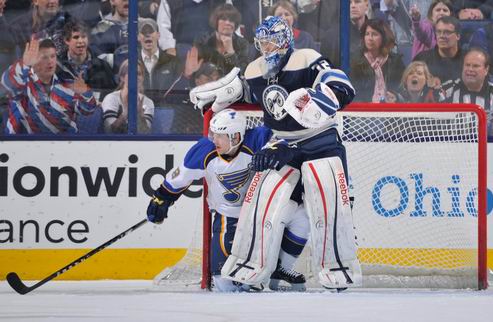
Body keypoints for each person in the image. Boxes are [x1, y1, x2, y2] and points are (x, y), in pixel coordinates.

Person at [190, 16, 362, 290]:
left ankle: (336, 267)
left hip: (321, 141)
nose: (267, 47)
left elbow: (339, 82)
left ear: (285, 40)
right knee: (262, 196)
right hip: (282, 143)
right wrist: (224, 94)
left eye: (272, 41)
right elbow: (245, 92)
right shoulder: (255, 69)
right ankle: (252, 266)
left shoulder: (306, 57)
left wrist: (325, 96)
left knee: (328, 197)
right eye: (263, 42)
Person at [146, 108, 309, 292]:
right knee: (223, 282)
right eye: (213, 133)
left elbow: (288, 139)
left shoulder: (257, 139)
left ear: (236, 136)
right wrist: (162, 197)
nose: (214, 139)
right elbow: (180, 178)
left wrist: (278, 150)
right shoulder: (204, 150)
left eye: (220, 135)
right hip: (228, 217)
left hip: (259, 214)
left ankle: (279, 270)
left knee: (302, 217)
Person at [1, 37, 97, 134]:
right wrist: (24, 64)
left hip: (64, 145)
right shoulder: (23, 82)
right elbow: (7, 84)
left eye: (52, 56)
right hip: (20, 145)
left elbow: (87, 111)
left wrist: (85, 93)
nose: (50, 61)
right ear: (33, 60)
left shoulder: (68, 84)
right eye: (44, 57)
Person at [57, 19, 116, 102]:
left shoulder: (102, 66)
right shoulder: (57, 66)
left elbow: (112, 95)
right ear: (67, 41)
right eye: (76, 37)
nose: (81, 41)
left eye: (83, 37)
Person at [350, 18, 405, 102]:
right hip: (363, 111)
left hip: (390, 110)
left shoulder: (395, 62)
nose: (370, 38)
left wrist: (396, 97)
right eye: (367, 34)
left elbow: (404, 90)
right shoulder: (355, 61)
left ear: (384, 37)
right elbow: (352, 93)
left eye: (374, 34)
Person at [193, 3, 249, 75]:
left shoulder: (242, 43)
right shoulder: (202, 41)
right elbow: (197, 72)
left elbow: (242, 73)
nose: (228, 23)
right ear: (216, 22)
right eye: (224, 19)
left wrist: (230, 52)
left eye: (231, 20)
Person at [101, 59, 154, 134]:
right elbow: (109, 130)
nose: (135, 77)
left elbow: (145, 133)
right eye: (131, 73)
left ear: (143, 78)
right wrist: (126, 113)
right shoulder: (111, 98)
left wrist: (140, 114)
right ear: (122, 77)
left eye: (138, 74)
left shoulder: (148, 102)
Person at [439, 47, 492, 116]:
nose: (470, 69)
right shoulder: (446, 90)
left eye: (475, 66)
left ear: (486, 70)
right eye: (467, 65)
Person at [413, 16, 464, 87]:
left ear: (458, 36)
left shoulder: (469, 59)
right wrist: (425, 83)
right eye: (438, 32)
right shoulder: (421, 58)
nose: (441, 36)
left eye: (447, 32)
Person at [137, 18, 183, 94]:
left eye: (151, 31)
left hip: (166, 105)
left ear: (158, 35)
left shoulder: (173, 62)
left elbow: (178, 91)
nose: (148, 35)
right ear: (138, 37)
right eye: (144, 32)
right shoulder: (131, 63)